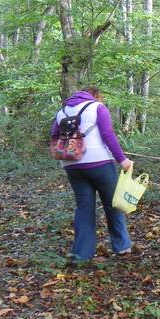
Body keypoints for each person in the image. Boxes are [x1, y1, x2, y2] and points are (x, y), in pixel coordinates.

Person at [50, 86, 133, 263]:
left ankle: (81, 254)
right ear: (94, 96)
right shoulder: (97, 108)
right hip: (99, 162)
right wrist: (123, 160)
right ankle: (122, 246)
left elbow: (54, 135)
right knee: (113, 205)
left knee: (84, 207)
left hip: (72, 164)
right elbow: (108, 134)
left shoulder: (62, 111)